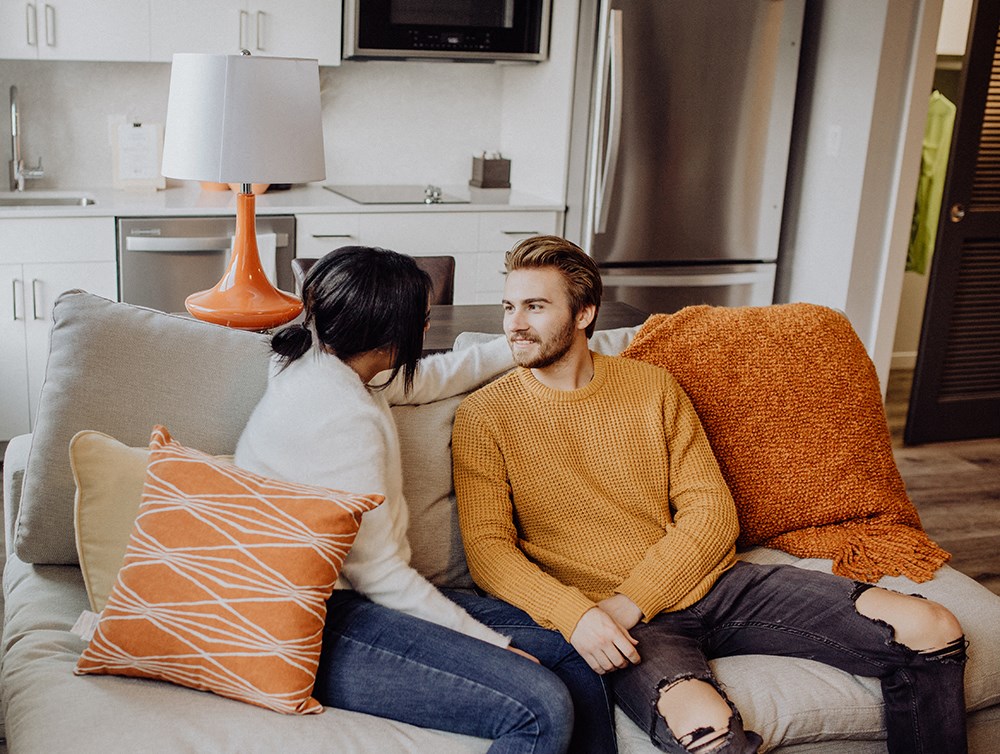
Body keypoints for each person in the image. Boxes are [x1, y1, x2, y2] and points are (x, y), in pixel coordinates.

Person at [452, 235, 969, 754]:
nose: (514, 324)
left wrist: (636, 599)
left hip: (714, 585)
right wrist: (578, 616)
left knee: (932, 627)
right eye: (509, 306)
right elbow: (489, 552)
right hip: (611, 617)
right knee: (709, 732)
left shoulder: (651, 386)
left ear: (584, 313)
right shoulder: (484, 416)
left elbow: (712, 510)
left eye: (535, 307)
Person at [235, 246, 577, 753]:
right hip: (314, 621)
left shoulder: (322, 362)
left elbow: (432, 377)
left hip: (348, 603)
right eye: (422, 321)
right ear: (390, 335)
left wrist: (524, 341)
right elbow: (383, 578)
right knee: (540, 706)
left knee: (569, 650)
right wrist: (494, 648)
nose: (426, 332)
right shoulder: (341, 417)